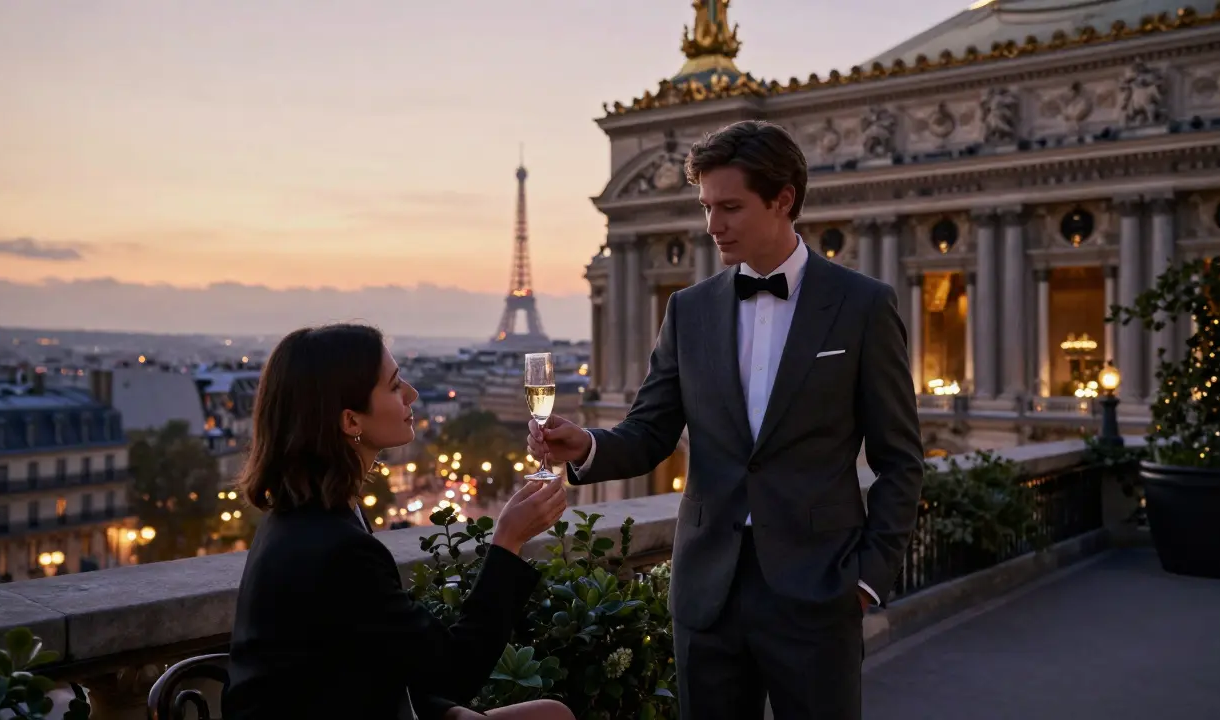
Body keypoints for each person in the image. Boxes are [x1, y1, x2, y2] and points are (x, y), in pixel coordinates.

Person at [528, 121, 923, 720]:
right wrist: (583, 445)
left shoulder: (862, 305)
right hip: (707, 594)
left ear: (783, 199)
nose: (714, 225)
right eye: (708, 206)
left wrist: (869, 578)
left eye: (731, 207)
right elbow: (648, 432)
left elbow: (901, 459)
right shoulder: (688, 311)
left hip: (818, 592)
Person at [224, 324, 573, 720]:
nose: (412, 393)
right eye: (393, 386)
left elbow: (363, 660)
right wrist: (508, 541)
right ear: (351, 421)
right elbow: (452, 669)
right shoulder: (338, 548)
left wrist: (442, 712)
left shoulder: (304, 520)